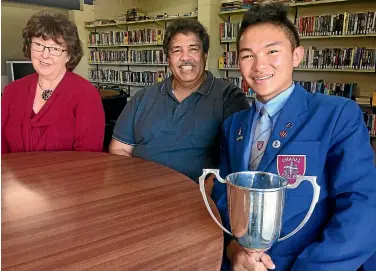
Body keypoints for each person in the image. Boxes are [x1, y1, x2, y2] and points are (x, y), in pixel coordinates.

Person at [211, 2, 376, 271]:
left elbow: (363, 207)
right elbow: (224, 194)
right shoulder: (234, 126)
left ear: (297, 55)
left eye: (272, 51)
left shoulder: (336, 114)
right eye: (247, 55)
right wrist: (233, 249)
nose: (259, 65)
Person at [109, 19, 250, 182]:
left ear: (205, 54)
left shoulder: (229, 98)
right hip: (142, 191)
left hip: (197, 197)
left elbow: (235, 162)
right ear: (168, 58)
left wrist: (206, 194)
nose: (185, 58)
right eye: (177, 50)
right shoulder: (143, 97)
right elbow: (119, 148)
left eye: (193, 49)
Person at [1, 11, 105, 153]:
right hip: (13, 175)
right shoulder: (12, 91)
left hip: (66, 175)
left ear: (68, 55)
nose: (44, 55)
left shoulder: (85, 94)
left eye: (55, 48)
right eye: (38, 45)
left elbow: (88, 158)